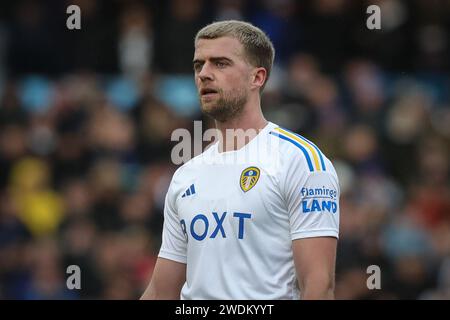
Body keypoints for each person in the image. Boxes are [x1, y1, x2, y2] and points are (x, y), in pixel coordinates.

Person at [140, 20, 340, 300]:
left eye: (220, 63)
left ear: (257, 78)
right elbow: (161, 291)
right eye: (199, 65)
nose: (204, 74)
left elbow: (317, 286)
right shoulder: (185, 176)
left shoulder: (300, 161)